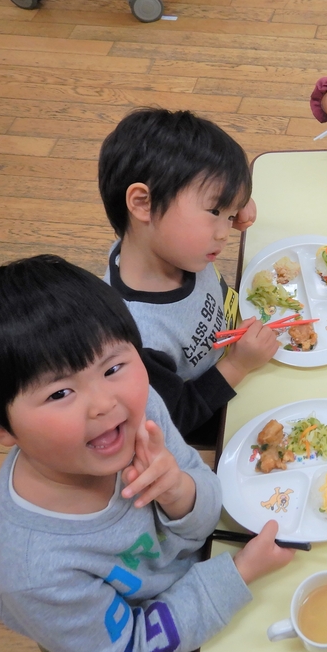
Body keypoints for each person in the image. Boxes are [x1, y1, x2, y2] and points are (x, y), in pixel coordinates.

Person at [0, 256, 295, 652]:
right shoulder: (33, 575)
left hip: (211, 568)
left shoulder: (138, 414)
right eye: (59, 393)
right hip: (161, 644)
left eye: (114, 366)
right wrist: (240, 571)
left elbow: (204, 510)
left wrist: (179, 491)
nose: (106, 403)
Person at [98, 108, 279, 442]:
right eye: (215, 212)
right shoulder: (136, 339)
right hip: (216, 403)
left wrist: (231, 205)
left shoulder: (162, 244)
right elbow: (176, 419)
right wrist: (238, 366)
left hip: (241, 345)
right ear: (143, 204)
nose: (226, 233)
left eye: (229, 215)